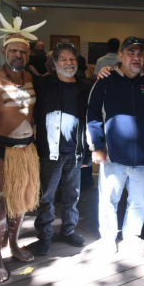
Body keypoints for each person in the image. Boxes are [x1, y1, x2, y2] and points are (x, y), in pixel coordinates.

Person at [87, 36, 144, 253]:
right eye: (131, 53)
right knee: (108, 200)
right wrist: (96, 146)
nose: (136, 57)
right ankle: (108, 238)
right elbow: (92, 113)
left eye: (140, 54)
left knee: (139, 201)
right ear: (121, 56)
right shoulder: (105, 81)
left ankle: (131, 235)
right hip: (112, 156)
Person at [0, 14, 46, 283]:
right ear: (3, 51)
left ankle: (14, 245)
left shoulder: (30, 79)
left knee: (20, 203)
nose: (18, 54)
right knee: (0, 205)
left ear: (28, 54)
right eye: (13, 50)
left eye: (22, 51)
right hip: (0, 149)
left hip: (27, 150)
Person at [33, 43, 92, 255]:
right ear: (55, 63)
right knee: (46, 198)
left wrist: (88, 153)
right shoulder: (42, 85)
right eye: (64, 59)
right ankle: (45, 235)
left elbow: (90, 122)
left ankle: (68, 231)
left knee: (72, 197)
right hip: (49, 152)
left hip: (75, 152)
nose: (69, 63)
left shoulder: (85, 87)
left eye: (72, 59)